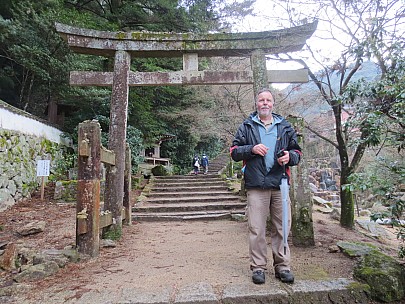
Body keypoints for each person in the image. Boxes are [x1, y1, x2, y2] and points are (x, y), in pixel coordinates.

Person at [230, 88, 302, 285]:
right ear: (256, 103)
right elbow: (234, 152)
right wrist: (251, 149)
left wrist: (290, 157)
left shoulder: (285, 126)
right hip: (256, 185)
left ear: (273, 104)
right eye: (261, 100)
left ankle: (283, 266)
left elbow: (297, 152)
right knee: (256, 228)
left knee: (282, 227)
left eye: (268, 100)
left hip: (280, 184)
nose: (264, 103)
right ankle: (258, 267)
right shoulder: (247, 126)